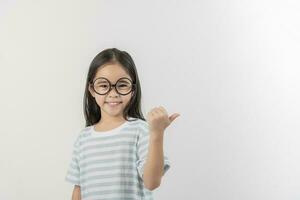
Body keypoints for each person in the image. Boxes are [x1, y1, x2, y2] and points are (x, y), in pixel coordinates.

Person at [65, 48, 180, 200]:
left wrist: (157, 134)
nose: (113, 93)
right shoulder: (83, 138)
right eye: (103, 85)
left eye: (122, 85)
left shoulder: (141, 130)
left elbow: (152, 182)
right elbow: (78, 190)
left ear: (133, 89)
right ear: (92, 90)